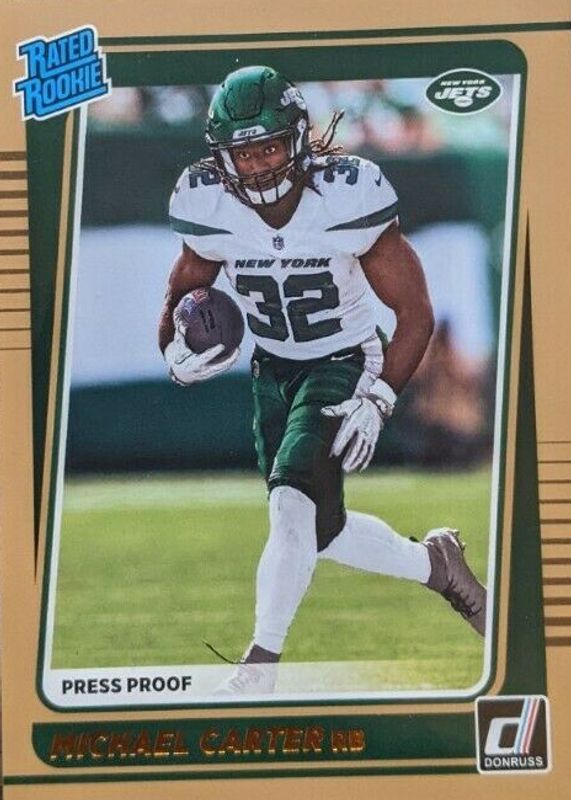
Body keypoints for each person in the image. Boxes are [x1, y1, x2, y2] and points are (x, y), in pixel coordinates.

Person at [158, 66, 486, 696]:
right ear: (222, 157)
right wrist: (173, 353)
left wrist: (380, 396)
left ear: (298, 139)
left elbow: (414, 314)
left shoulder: (347, 195)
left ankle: (258, 668)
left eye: (269, 148)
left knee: (290, 505)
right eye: (243, 154)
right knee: (319, 531)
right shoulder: (207, 204)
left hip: (344, 358)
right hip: (273, 368)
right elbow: (182, 292)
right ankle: (437, 566)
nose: (257, 166)